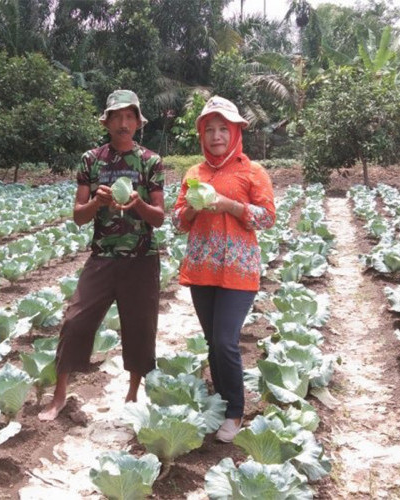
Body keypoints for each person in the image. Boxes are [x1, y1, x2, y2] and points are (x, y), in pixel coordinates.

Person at [38, 90, 165, 421]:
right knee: (75, 321)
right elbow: (79, 216)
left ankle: (134, 393)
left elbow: (159, 218)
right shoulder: (91, 160)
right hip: (103, 257)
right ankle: (59, 395)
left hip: (141, 258)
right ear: (106, 121)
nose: (123, 123)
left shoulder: (151, 161)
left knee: (140, 327)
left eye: (129, 116)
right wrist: (97, 202)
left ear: (138, 122)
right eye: (116, 117)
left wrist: (137, 203)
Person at [172, 96, 275, 442]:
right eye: (210, 130)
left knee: (225, 341)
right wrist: (192, 208)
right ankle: (219, 400)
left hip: (239, 270)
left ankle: (234, 410)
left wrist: (228, 204)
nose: (216, 136)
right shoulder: (194, 173)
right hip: (202, 269)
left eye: (223, 129)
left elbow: (268, 217)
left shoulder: (252, 171)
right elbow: (177, 221)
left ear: (234, 133)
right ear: (202, 135)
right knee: (211, 342)